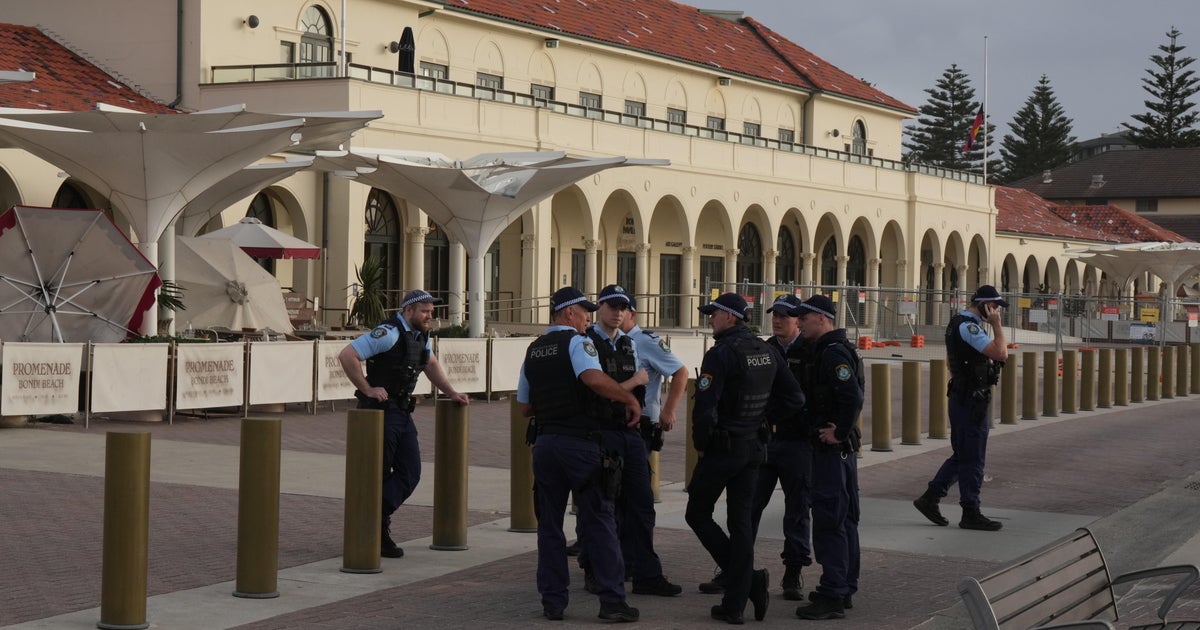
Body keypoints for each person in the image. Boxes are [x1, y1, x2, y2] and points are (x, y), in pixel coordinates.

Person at [517, 286, 642, 623]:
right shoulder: (578, 342)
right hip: (580, 444)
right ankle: (612, 602)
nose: (587, 318)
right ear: (569, 313)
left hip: (545, 444)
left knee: (549, 525)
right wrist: (628, 398)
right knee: (599, 520)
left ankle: (553, 602)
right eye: (584, 311)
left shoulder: (533, 349)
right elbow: (593, 378)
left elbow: (525, 406)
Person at [687, 292, 805, 624]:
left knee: (697, 513)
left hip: (723, 449)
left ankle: (748, 583)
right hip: (754, 447)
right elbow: (795, 398)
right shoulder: (766, 351)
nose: (710, 319)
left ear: (730, 317)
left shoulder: (721, 353)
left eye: (714, 314)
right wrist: (764, 420)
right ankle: (735, 603)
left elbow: (705, 408)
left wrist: (700, 444)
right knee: (740, 524)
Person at [337, 289, 470, 559]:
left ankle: (372, 518)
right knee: (379, 473)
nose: (429, 316)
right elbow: (347, 355)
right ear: (408, 310)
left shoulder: (421, 336)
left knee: (411, 472)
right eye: (425, 311)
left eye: (431, 311)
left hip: (402, 412)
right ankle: (375, 530)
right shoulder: (388, 333)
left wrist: (452, 392)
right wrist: (367, 388)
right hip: (379, 413)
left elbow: (430, 365)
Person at [578, 284, 682, 597]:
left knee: (641, 505)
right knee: (600, 505)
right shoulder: (585, 342)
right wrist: (633, 383)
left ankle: (645, 574)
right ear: (600, 307)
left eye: (623, 307)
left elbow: (639, 389)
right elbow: (594, 392)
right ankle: (595, 569)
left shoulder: (630, 344)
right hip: (599, 432)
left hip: (631, 432)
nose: (618, 312)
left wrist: (631, 392)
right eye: (612, 306)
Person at [791, 295, 864, 621]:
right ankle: (843, 586)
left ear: (821, 318)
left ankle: (833, 593)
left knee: (830, 520)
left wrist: (840, 431)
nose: (799, 323)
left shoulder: (832, 353)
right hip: (840, 452)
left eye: (804, 318)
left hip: (831, 451)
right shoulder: (830, 349)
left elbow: (852, 397)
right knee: (844, 519)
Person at [913, 285, 1009, 532]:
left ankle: (930, 498)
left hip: (963, 397)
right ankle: (970, 512)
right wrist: (997, 326)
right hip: (970, 400)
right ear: (983, 305)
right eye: (994, 306)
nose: (996, 311)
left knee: (963, 455)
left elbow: (951, 361)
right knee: (973, 457)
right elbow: (1001, 354)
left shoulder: (958, 324)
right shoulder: (969, 327)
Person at [749, 294, 813, 602]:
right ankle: (735, 566)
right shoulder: (764, 349)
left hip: (798, 442)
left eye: (784, 316)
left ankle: (793, 570)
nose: (777, 320)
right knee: (748, 505)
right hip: (766, 441)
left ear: (798, 320)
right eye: (774, 315)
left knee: (797, 509)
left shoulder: (811, 350)